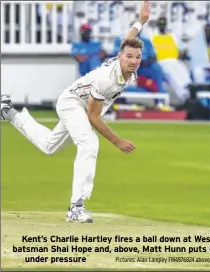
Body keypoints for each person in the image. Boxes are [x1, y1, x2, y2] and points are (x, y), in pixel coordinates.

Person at [0, 1, 151, 223]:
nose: (134, 61)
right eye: (129, 57)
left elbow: (128, 39)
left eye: (137, 57)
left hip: (81, 105)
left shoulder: (128, 60)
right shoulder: (106, 80)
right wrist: (117, 141)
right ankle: (76, 208)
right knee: (89, 144)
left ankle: (8, 113)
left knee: (49, 145)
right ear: (120, 57)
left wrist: (141, 21)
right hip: (72, 103)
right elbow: (93, 117)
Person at [150, 16, 191, 103]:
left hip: (175, 61)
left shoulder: (172, 36)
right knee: (174, 77)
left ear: (166, 25)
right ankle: (184, 97)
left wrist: (182, 54)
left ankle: (191, 94)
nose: (162, 26)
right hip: (162, 62)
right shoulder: (153, 37)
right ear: (157, 25)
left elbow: (180, 50)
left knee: (184, 73)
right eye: (160, 24)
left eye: (163, 24)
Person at [113, 28, 165, 93]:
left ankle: (159, 99)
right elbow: (116, 54)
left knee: (157, 69)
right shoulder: (120, 40)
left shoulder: (146, 40)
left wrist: (146, 62)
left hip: (143, 67)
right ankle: (119, 98)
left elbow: (153, 57)